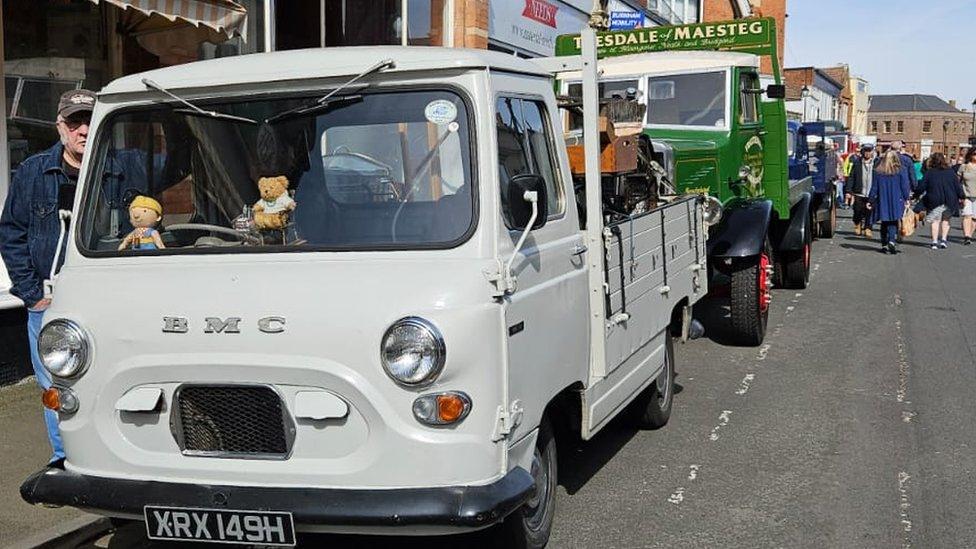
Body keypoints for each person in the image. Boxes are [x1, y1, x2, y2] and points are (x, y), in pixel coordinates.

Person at [0, 90, 97, 467]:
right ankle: (65, 460)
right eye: (75, 123)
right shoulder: (33, 171)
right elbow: (11, 233)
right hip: (51, 301)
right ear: (60, 127)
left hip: (103, 299)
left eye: (90, 120)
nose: (84, 130)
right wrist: (30, 294)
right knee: (56, 387)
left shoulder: (114, 168)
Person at [915, 152, 966, 249]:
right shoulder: (950, 172)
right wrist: (962, 196)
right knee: (945, 221)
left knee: (935, 220)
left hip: (934, 199)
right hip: (949, 200)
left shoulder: (929, 173)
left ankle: (934, 241)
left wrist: (916, 194)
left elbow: (922, 186)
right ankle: (943, 240)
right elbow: (957, 186)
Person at [868, 150, 912, 254]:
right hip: (897, 198)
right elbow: (905, 186)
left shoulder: (878, 171)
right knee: (893, 221)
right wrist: (907, 198)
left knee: (884, 221)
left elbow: (874, 187)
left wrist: (871, 199)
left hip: (882, 199)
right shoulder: (901, 170)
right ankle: (891, 240)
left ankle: (884, 244)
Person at [846, 144, 877, 237]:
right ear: (862, 152)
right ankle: (857, 224)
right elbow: (851, 177)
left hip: (871, 192)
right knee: (857, 210)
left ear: (872, 152)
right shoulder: (857, 162)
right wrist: (848, 191)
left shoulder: (877, 163)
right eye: (865, 151)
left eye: (869, 151)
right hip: (859, 192)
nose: (867, 153)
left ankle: (868, 228)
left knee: (870, 211)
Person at [958, 147, 976, 245]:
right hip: (967, 195)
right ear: (970, 155)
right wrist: (960, 195)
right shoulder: (964, 167)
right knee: (967, 215)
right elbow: (957, 181)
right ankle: (967, 236)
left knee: (974, 218)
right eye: (974, 154)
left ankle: (970, 233)